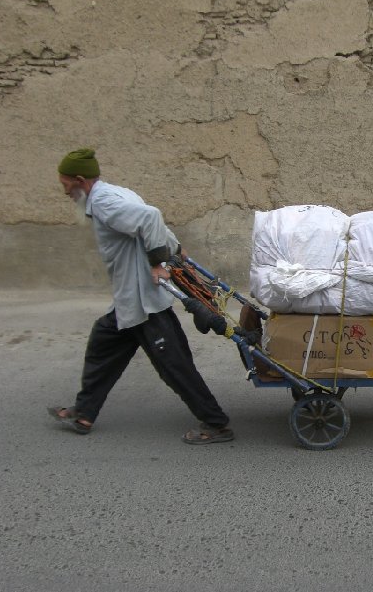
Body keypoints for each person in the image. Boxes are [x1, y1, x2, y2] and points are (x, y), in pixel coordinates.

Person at [47, 148, 234, 445]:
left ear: (80, 180)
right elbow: (152, 220)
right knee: (102, 344)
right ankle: (83, 413)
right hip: (128, 299)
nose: (65, 191)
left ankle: (216, 423)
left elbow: (150, 218)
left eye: (65, 184)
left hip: (143, 300)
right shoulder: (113, 195)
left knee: (174, 366)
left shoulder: (106, 202)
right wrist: (175, 246)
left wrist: (160, 263)